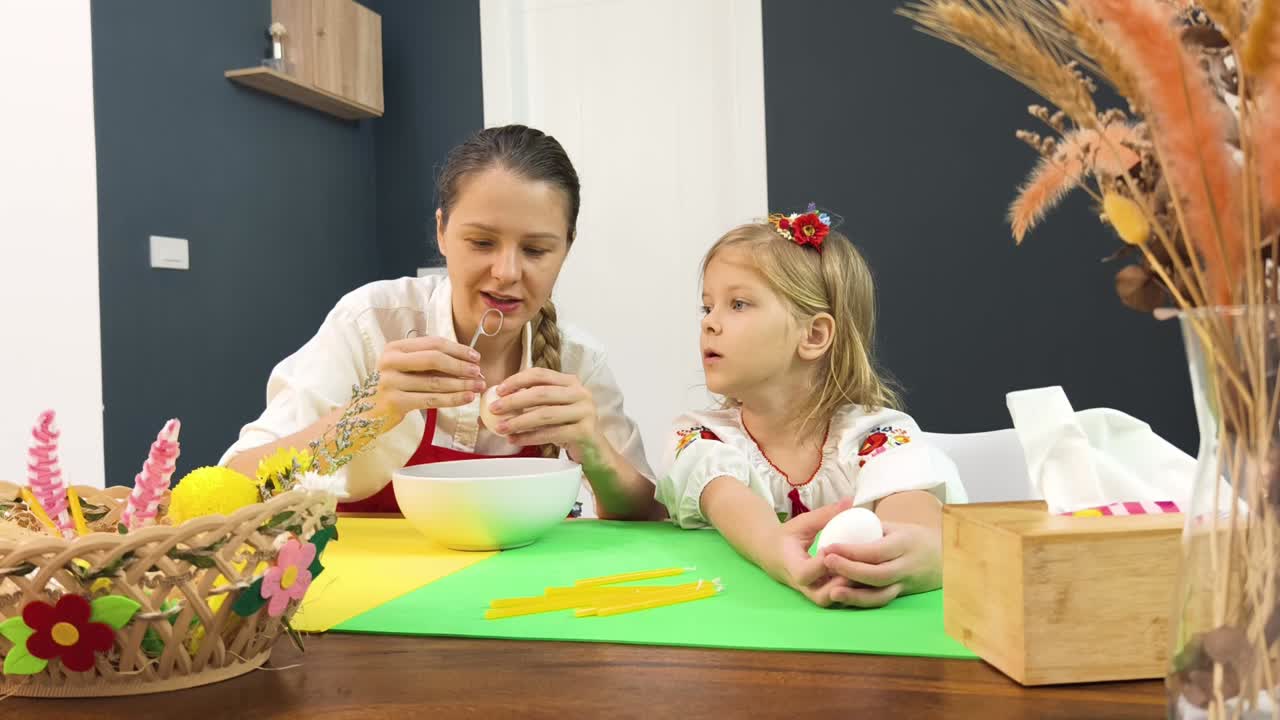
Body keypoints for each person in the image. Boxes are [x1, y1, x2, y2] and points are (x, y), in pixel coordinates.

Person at [221, 125, 657, 519]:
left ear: (567, 247)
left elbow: (647, 514)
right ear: (443, 233)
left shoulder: (579, 360)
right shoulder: (369, 324)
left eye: (536, 250)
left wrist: (593, 448)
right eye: (482, 242)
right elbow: (233, 486)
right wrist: (369, 412)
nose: (507, 272)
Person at [656, 208, 964, 606]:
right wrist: (778, 552)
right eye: (707, 306)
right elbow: (728, 501)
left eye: (738, 304)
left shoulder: (876, 436)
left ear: (814, 335)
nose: (710, 323)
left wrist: (921, 555)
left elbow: (916, 517)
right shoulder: (699, 438)